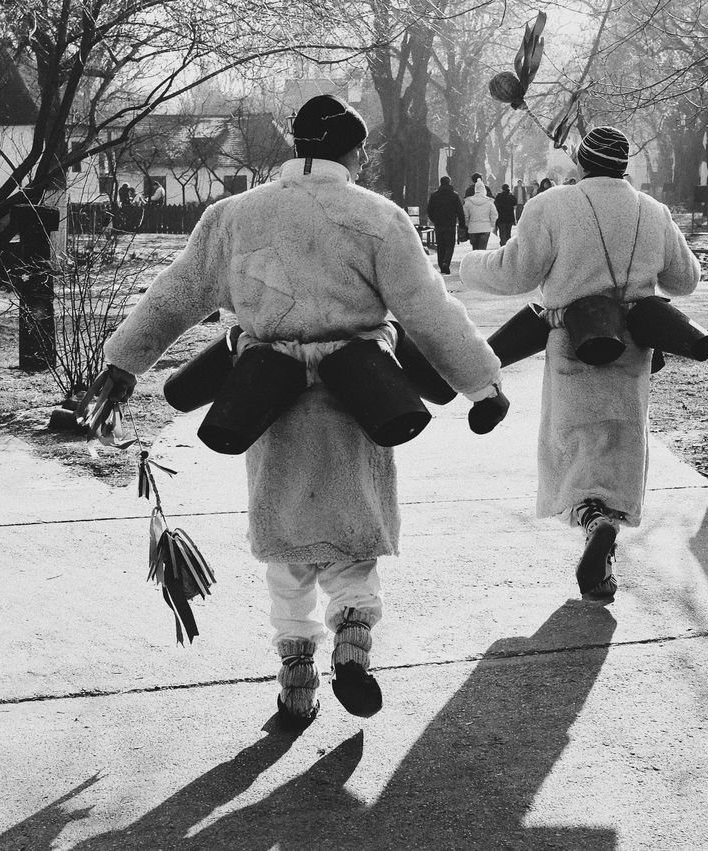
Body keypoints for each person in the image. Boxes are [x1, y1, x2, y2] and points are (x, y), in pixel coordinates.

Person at [93, 94, 506, 729]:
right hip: (359, 400)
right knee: (352, 536)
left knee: (286, 544)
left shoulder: (234, 216)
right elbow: (429, 311)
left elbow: (175, 293)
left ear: (295, 148)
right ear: (355, 152)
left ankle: (295, 683)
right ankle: (352, 645)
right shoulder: (377, 217)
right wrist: (483, 385)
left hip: (267, 399)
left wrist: (123, 366)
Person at [459, 126, 700, 601]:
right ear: (625, 165)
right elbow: (686, 279)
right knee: (620, 441)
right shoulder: (653, 212)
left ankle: (592, 520)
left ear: (582, 164)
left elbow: (515, 273)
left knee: (574, 445)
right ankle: (608, 529)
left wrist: (469, 265)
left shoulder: (551, 206)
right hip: (633, 350)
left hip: (571, 342)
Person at [426, 176, 466, 275]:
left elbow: (429, 210)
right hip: (450, 224)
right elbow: (460, 211)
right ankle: (446, 262)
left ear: (441, 183)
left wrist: (434, 220)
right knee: (449, 245)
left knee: (440, 245)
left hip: (439, 224)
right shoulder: (454, 195)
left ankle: (441, 265)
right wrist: (462, 225)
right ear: (449, 183)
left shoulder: (434, 195)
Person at [463, 179, 498, 249]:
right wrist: (492, 224)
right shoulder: (489, 202)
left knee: (475, 250)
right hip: (485, 228)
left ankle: (475, 260)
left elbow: (465, 215)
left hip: (473, 228)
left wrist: (467, 224)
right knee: (482, 250)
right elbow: (494, 214)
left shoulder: (468, 201)